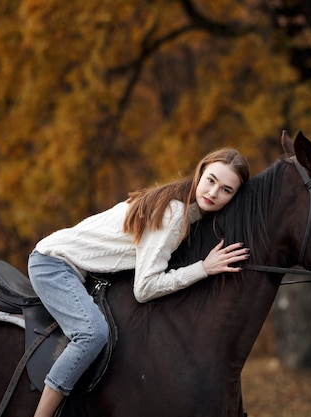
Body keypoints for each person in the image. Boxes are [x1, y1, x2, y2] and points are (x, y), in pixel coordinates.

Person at [28, 148, 251, 417]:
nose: (214, 193)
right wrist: (202, 268)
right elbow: (144, 289)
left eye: (226, 190)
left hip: (81, 270)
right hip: (53, 262)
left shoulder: (187, 208)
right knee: (92, 333)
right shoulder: (174, 213)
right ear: (200, 172)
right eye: (211, 180)